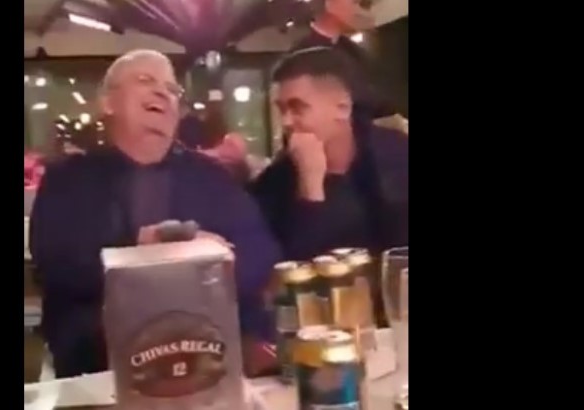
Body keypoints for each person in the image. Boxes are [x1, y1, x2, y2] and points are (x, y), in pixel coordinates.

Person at [30, 49, 281, 377]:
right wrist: (138, 254)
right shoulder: (67, 179)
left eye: (172, 89)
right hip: (100, 363)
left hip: (210, 356)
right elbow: (55, 265)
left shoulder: (213, 177)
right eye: (145, 80)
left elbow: (262, 255)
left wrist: (212, 259)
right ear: (108, 103)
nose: (162, 92)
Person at [250, 47, 408, 262]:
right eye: (282, 109)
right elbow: (291, 265)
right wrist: (310, 186)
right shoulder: (275, 181)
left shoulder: (396, 155)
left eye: (297, 108)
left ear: (342, 108)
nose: (286, 121)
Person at [292, 0, 403, 122]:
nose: (365, 13)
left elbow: (377, 99)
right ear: (331, 3)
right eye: (357, 3)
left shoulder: (355, 50)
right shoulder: (303, 56)